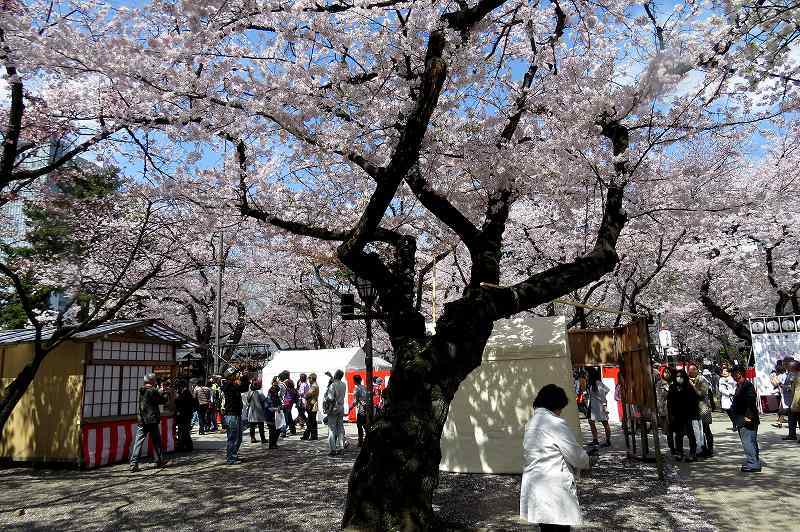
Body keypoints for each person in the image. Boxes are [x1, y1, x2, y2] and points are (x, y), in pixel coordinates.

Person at [520, 384, 592, 531]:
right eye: (560, 408)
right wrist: (588, 460)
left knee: (546, 527)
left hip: (536, 485)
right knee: (557, 527)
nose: (560, 412)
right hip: (554, 489)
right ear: (555, 405)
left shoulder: (531, 423)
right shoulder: (555, 424)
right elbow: (575, 456)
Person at [129, 373, 169, 471]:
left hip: (142, 419)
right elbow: (162, 400)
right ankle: (159, 460)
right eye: (155, 380)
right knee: (156, 441)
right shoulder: (153, 391)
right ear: (152, 381)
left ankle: (133, 463)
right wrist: (164, 392)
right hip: (152, 419)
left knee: (138, 442)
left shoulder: (141, 390)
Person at [731, 365, 761, 472]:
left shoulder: (747, 385)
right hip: (742, 418)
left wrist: (748, 417)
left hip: (747, 419)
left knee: (748, 441)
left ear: (739, 373)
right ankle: (754, 461)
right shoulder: (740, 385)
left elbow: (751, 402)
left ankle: (753, 463)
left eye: (733, 373)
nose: (732, 375)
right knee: (751, 441)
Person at [668, 368, 699, 462]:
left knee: (690, 434)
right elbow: (670, 402)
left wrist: (693, 413)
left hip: (688, 414)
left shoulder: (688, 387)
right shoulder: (672, 387)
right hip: (677, 415)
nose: (679, 378)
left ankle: (693, 453)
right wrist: (671, 414)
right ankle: (679, 452)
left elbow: (694, 400)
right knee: (678, 435)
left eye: (681, 376)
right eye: (677, 376)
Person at [221, 368, 250, 465]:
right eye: (235, 374)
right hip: (231, 415)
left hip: (236, 414)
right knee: (233, 438)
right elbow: (241, 387)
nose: (237, 375)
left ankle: (234, 454)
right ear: (231, 376)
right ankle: (231, 458)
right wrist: (243, 377)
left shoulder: (232, 384)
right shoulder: (229, 385)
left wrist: (245, 377)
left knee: (238, 438)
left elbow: (244, 388)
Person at [688, 364, 713, 457]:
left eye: (692, 370)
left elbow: (701, 394)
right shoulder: (687, 381)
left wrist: (693, 386)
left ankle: (709, 449)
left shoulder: (702, 380)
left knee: (706, 429)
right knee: (697, 430)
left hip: (703, 407)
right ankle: (701, 448)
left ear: (697, 370)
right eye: (689, 370)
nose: (690, 372)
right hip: (693, 409)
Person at [586, 367, 611, 447]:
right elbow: (607, 390)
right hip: (594, 405)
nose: (586, 375)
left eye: (587, 374)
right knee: (592, 422)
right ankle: (596, 439)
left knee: (604, 423)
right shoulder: (594, 383)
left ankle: (606, 440)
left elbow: (606, 391)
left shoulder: (597, 383)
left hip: (599, 406)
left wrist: (603, 403)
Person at [325, 369, 347, 456]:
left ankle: (333, 449)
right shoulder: (343, 384)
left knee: (331, 429)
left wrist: (326, 401)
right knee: (340, 428)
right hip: (341, 407)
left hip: (333, 408)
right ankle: (341, 447)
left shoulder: (333, 385)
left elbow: (330, 398)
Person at [656, 367, 674, 455]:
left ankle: (679, 448)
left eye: (669, 372)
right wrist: (661, 411)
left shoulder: (675, 382)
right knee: (668, 431)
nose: (667, 374)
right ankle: (672, 448)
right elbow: (658, 398)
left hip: (675, 410)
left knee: (679, 431)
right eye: (665, 372)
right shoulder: (660, 384)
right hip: (665, 410)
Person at [174, 379, 195, 452]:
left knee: (184, 431)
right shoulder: (186, 392)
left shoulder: (186, 393)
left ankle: (185, 446)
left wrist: (176, 400)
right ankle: (186, 446)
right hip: (185, 415)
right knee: (184, 431)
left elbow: (181, 403)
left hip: (184, 415)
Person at [784, 360, 800, 442]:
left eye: (790, 367)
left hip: (797, 401)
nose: (789, 369)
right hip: (793, 401)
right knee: (792, 418)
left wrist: (796, 403)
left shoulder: (797, 376)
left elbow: (798, 391)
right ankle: (792, 434)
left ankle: (792, 435)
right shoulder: (794, 375)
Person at [302, 373, 320, 441]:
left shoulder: (313, 386)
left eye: (309, 378)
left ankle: (311, 436)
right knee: (312, 421)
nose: (308, 380)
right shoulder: (314, 385)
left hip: (311, 405)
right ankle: (310, 435)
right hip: (313, 404)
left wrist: (305, 395)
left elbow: (307, 395)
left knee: (311, 421)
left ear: (312, 378)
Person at [351, 374, 368, 447]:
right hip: (367, 408)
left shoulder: (356, 388)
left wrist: (350, 408)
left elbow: (355, 401)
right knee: (365, 425)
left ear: (354, 381)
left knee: (359, 425)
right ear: (361, 380)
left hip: (361, 409)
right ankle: (368, 439)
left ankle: (361, 441)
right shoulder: (365, 387)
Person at [265, 378, 282, 449]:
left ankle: (274, 443)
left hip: (276, 414)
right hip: (271, 415)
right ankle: (271, 444)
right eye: (275, 385)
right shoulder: (270, 394)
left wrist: (280, 406)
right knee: (272, 430)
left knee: (278, 429)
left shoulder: (276, 394)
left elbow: (279, 402)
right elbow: (268, 406)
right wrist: (276, 408)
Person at [719, 366, 737, 431]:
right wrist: (727, 393)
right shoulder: (721, 379)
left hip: (732, 397)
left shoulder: (732, 379)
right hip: (725, 397)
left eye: (726, 371)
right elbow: (720, 389)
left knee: (733, 411)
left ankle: (735, 424)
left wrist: (732, 392)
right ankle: (734, 422)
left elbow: (735, 386)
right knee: (729, 412)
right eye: (723, 371)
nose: (724, 372)